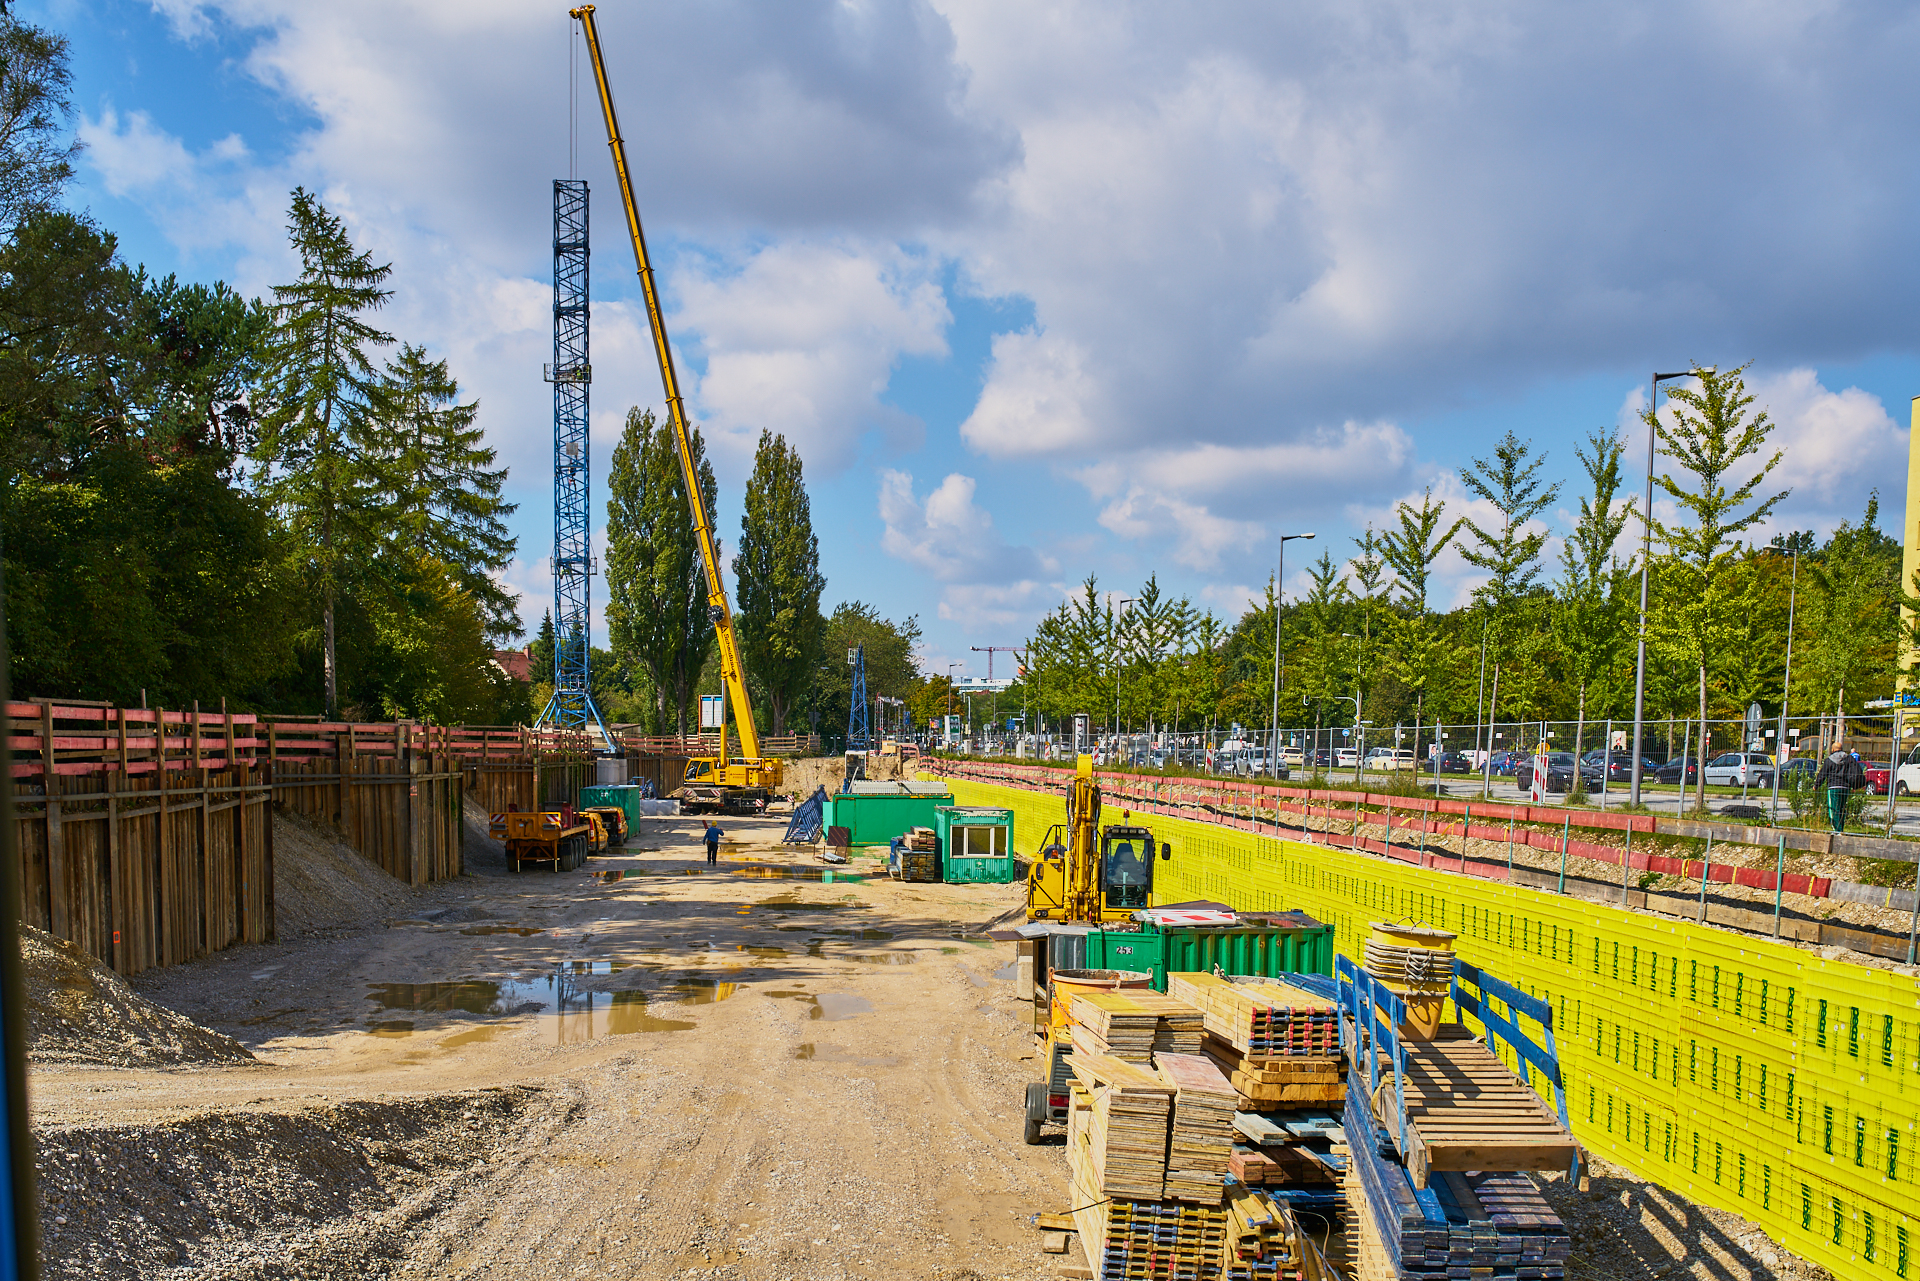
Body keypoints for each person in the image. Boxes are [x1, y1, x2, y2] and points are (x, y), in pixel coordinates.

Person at [1812, 740, 1866, 834]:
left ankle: (1837, 830)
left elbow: (1823, 774)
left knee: (1833, 809)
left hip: (1833, 787)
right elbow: (1855, 771)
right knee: (1841, 809)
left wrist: (1816, 785)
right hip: (1845, 787)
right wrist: (1855, 784)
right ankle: (1840, 829)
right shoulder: (1849, 759)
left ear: (1833, 749)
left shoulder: (1829, 760)